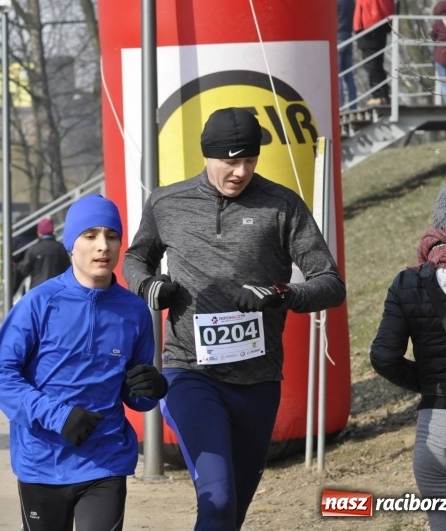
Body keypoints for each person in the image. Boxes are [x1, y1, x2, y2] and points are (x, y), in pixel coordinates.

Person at [122, 107, 346, 531]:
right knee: (218, 498)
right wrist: (147, 285)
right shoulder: (167, 202)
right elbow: (136, 257)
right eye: (229, 160)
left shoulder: (282, 205)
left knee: (231, 514)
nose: (240, 171)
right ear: (207, 155)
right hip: (191, 373)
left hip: (258, 381)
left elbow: (330, 284)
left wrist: (281, 294)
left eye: (249, 159)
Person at [0, 194, 168, 531]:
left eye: (112, 236)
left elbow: (136, 395)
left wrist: (152, 388)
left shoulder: (135, 310)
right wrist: (59, 416)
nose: (103, 246)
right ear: (71, 244)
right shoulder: (39, 303)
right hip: (43, 462)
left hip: (106, 461)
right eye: (90, 235)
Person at [371, 179, 446, 531]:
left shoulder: (407, 283)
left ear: (439, 223)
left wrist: (428, 383)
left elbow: (383, 357)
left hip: (436, 434)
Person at [353, 0, 395, 106]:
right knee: (376, 64)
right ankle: (383, 94)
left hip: (369, 28)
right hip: (378, 26)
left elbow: (362, 8)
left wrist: (357, 27)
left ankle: (379, 95)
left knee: (371, 64)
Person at [16, 216, 71, 289]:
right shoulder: (60, 248)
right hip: (57, 288)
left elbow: (24, 270)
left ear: (39, 232)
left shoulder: (34, 248)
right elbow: (67, 269)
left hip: (37, 288)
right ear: (52, 231)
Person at [338, 0, 358, 110]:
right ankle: (353, 105)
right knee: (348, 75)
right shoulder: (351, 2)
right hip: (348, 36)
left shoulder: (336, 3)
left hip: (338, 37)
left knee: (337, 75)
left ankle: (339, 106)